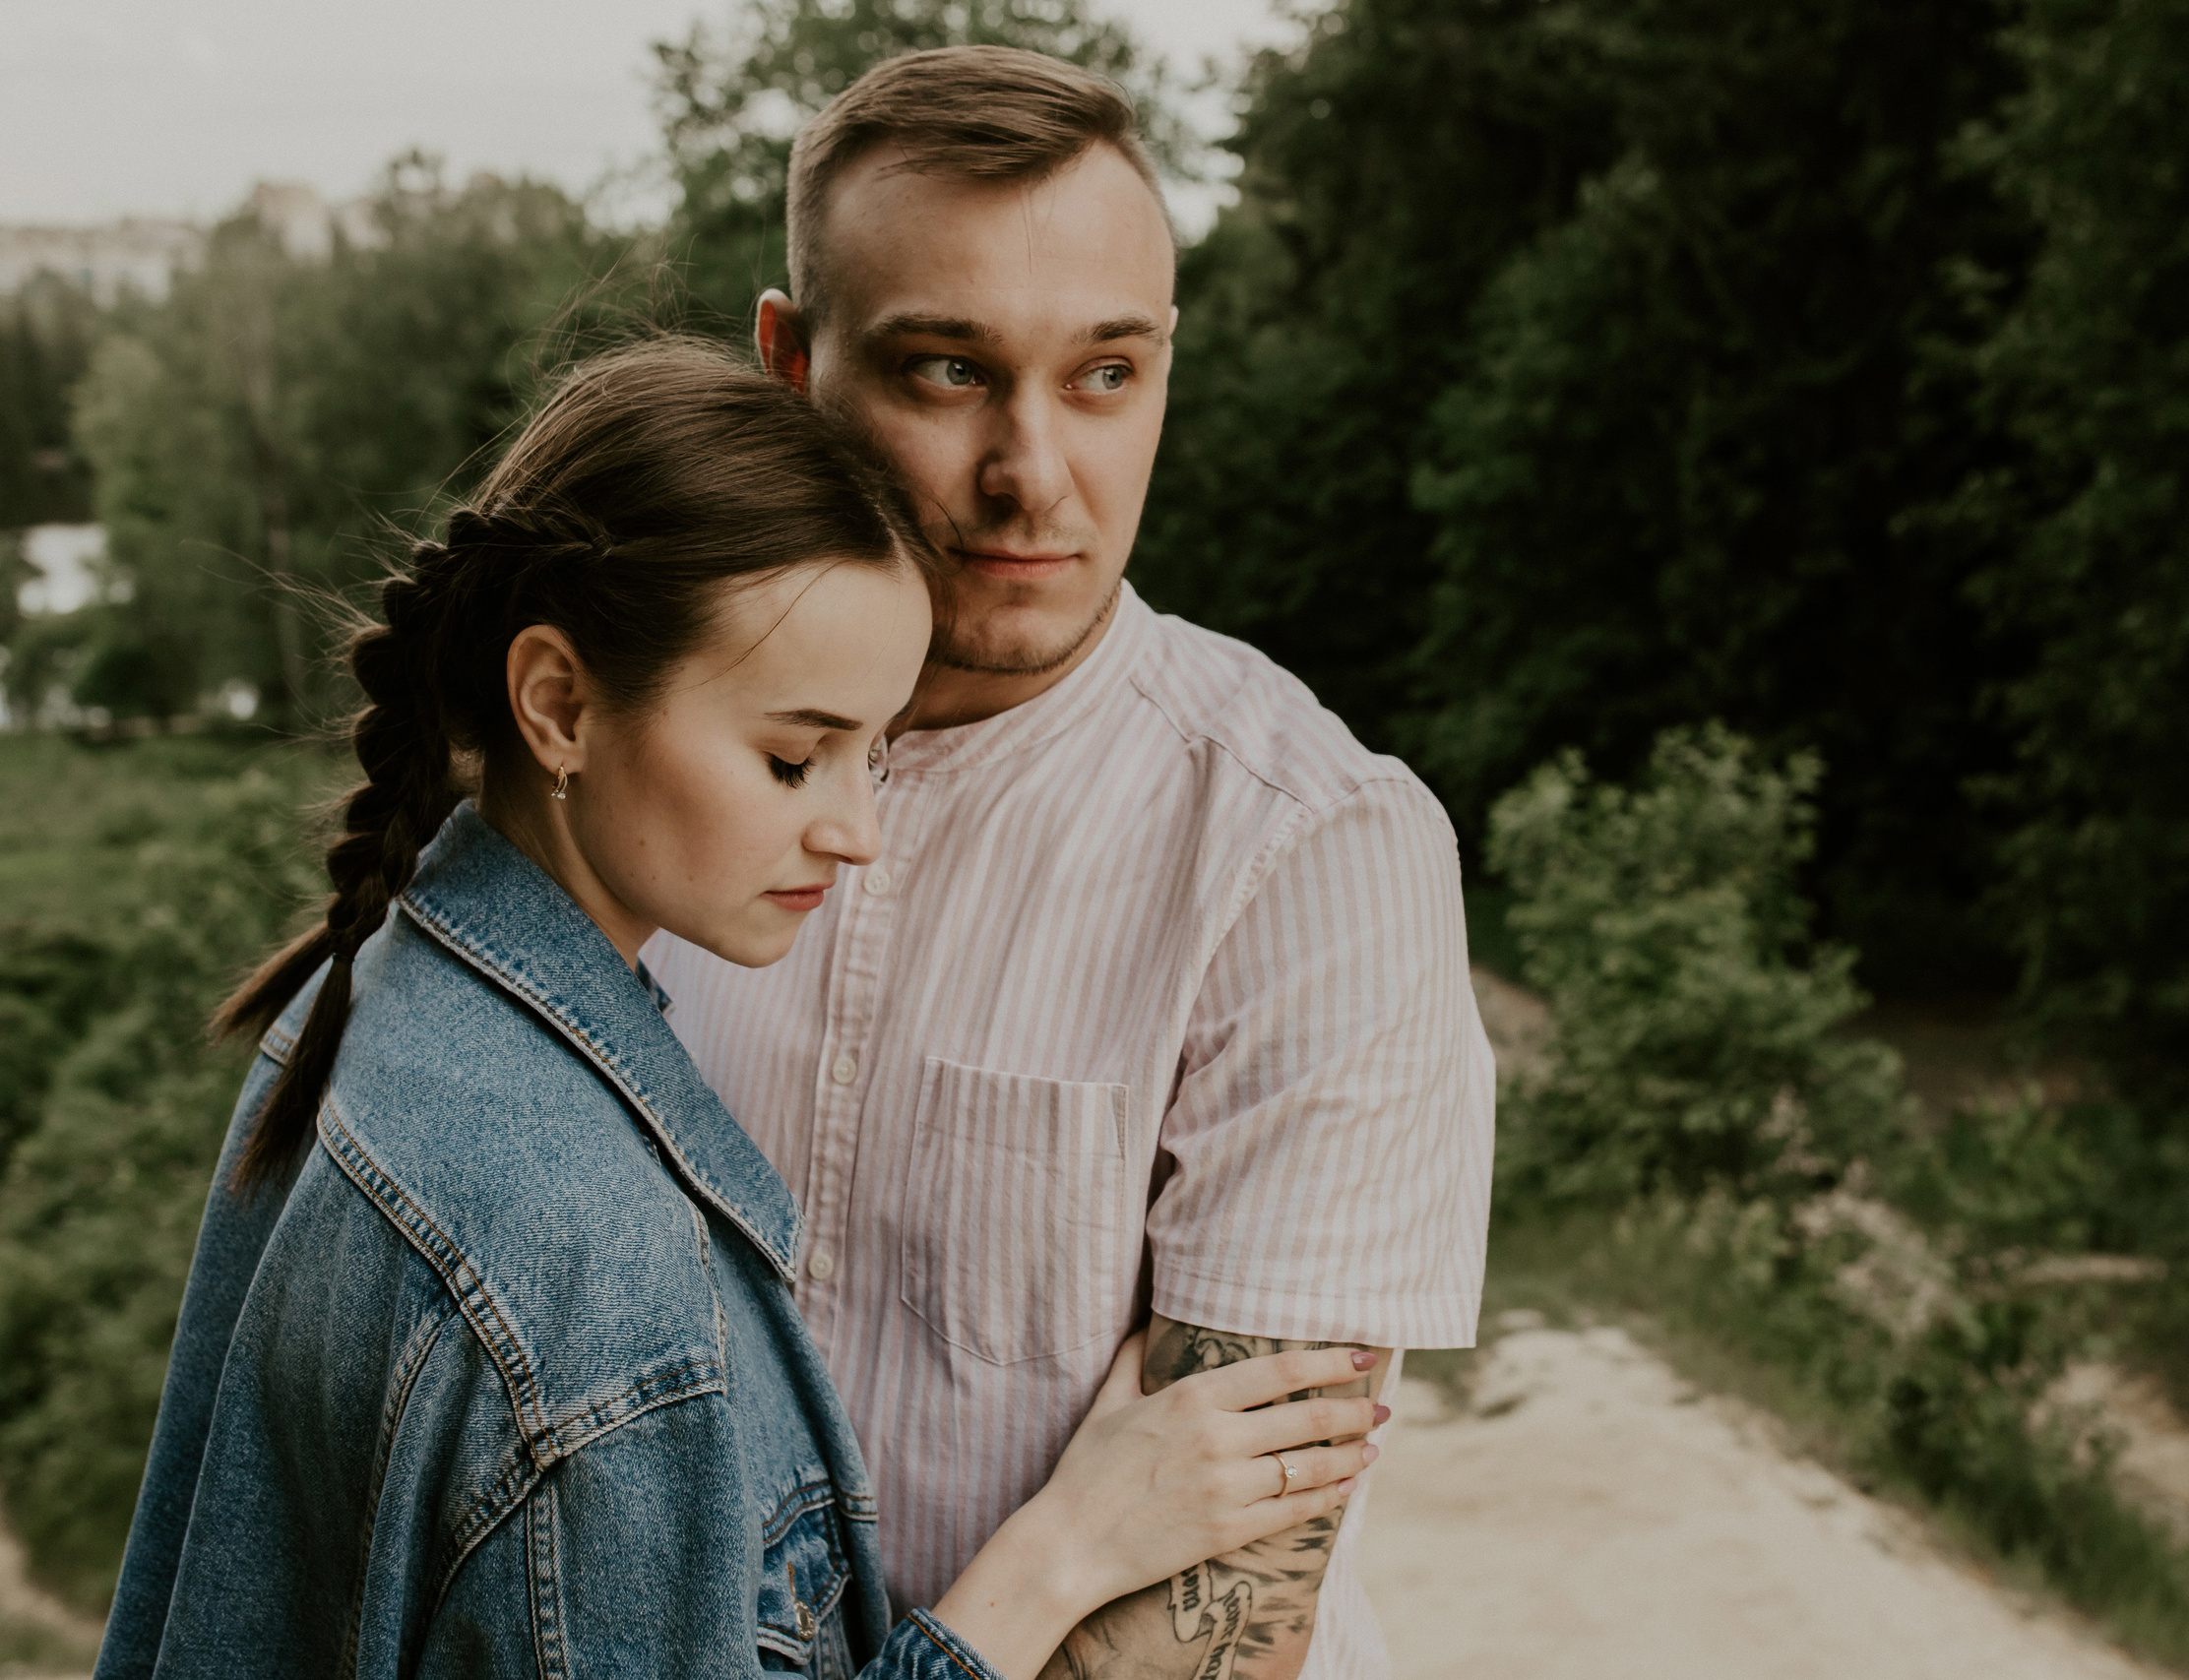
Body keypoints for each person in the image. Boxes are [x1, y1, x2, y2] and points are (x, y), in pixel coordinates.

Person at [94, 341, 1387, 1680]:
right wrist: (1059, 1555)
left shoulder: (360, 991)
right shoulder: (596, 1269)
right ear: (559, 704)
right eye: (791, 757)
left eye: (870, 753)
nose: (857, 831)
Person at [642, 46, 1495, 1680]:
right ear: (787, 366)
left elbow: (1212, 1632)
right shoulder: (646, 784)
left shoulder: (1311, 855)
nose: (1038, 474)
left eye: (1106, 373)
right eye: (949, 372)